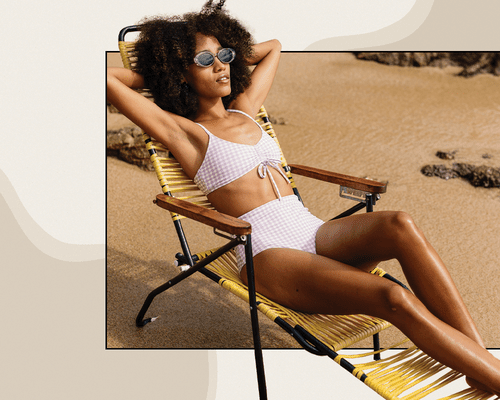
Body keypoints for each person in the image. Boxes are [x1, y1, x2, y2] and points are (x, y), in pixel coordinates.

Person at [107, 0, 500, 394]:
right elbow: (106, 80)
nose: (220, 66)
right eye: (205, 60)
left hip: (312, 233)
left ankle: (478, 362)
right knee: (391, 295)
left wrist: (213, 58)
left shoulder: (245, 109)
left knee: (400, 224)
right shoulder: (185, 133)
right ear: (182, 73)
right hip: (267, 254)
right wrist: (163, 73)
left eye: (224, 55)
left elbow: (273, 47)